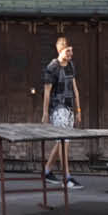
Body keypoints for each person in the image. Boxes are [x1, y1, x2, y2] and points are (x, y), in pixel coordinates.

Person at [39, 37, 83, 188]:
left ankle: (47, 171)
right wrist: (45, 113)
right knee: (63, 142)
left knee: (63, 142)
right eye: (68, 51)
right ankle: (67, 177)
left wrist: (78, 110)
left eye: (71, 50)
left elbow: (75, 89)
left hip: (69, 108)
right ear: (60, 50)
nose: (71, 53)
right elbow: (47, 92)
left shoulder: (70, 65)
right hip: (57, 108)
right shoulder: (52, 67)